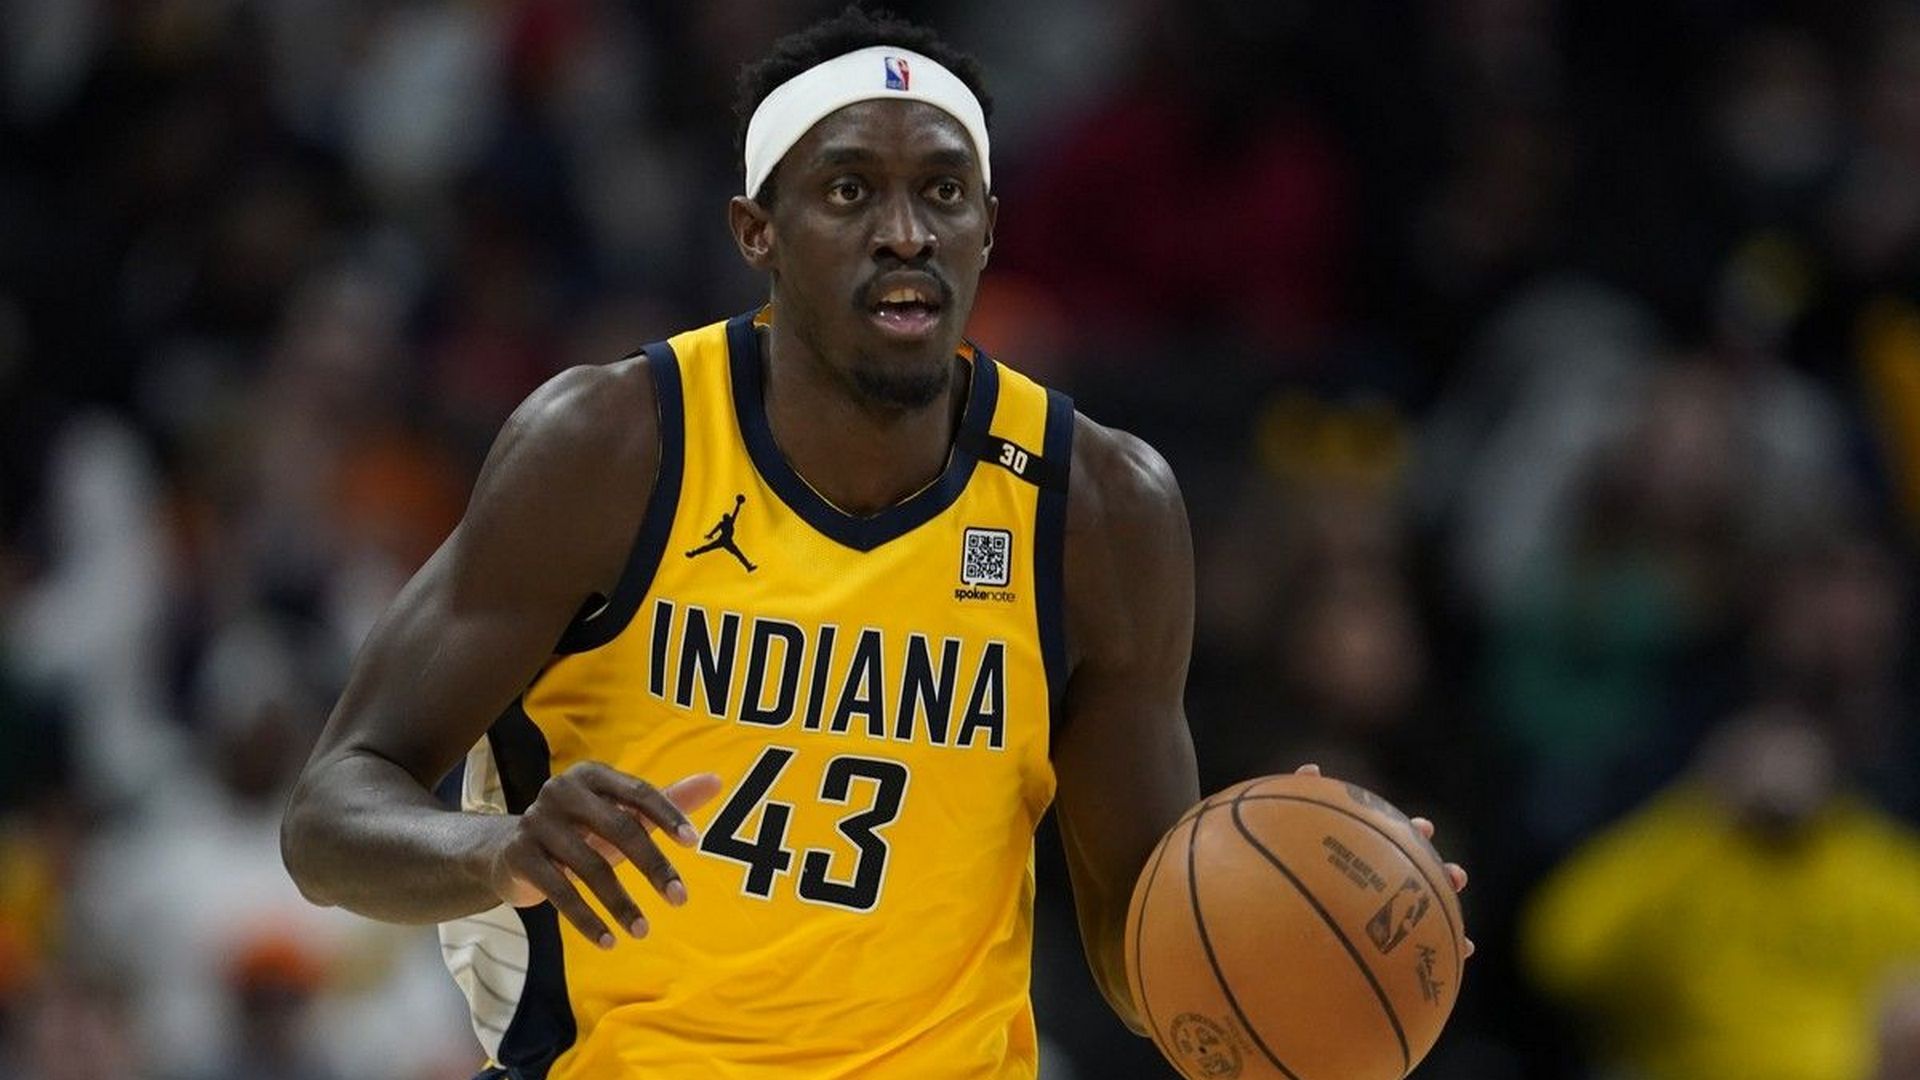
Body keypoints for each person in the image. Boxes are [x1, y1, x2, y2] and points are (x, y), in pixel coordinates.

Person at [281, 9, 1465, 1078]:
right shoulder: (611, 446)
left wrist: (1313, 911)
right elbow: (330, 817)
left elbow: (1143, 947)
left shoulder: (1099, 509)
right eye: (849, 191)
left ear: (989, 228)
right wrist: (498, 852)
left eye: (944, 192)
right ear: (757, 230)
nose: (905, 232)